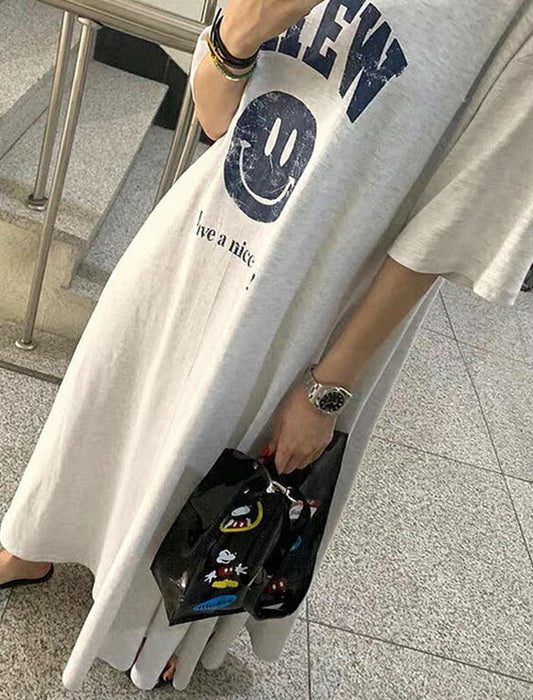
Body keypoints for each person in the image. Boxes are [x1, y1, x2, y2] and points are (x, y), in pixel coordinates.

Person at [1, 0, 532, 691]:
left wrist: (328, 387)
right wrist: (243, 29)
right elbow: (216, 118)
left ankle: (153, 621)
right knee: (114, 382)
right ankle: (36, 538)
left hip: (321, 298)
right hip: (203, 223)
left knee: (228, 462)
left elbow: (457, 218)